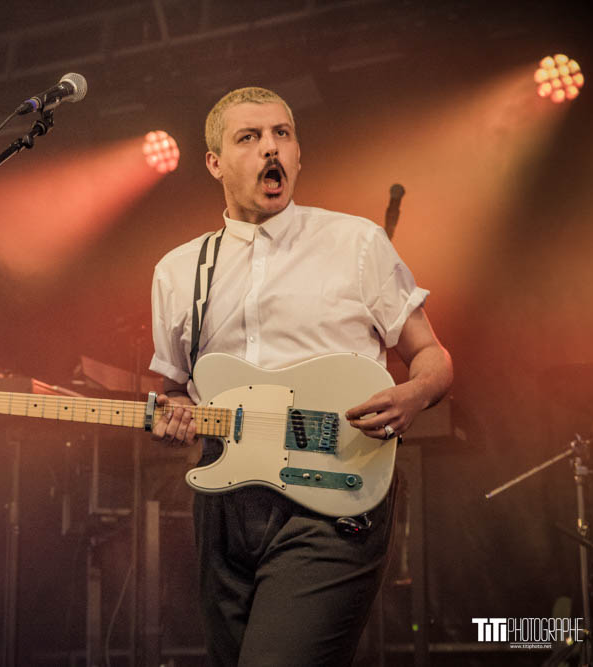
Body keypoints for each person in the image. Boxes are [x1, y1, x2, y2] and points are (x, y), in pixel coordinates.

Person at [149, 87, 453, 666]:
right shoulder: (177, 271)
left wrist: (412, 395)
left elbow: (434, 357)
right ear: (214, 162)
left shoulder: (356, 242)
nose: (271, 149)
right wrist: (172, 418)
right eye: (250, 137)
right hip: (225, 507)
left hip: (334, 497)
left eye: (281, 134)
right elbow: (175, 393)